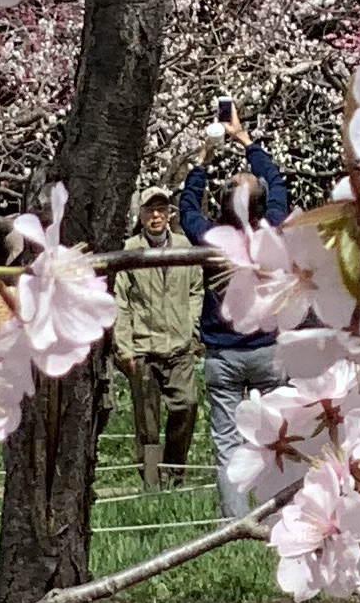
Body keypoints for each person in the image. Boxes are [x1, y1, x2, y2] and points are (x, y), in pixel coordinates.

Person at [178, 98, 290, 519]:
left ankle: (234, 520)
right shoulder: (271, 230)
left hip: (223, 353)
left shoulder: (210, 237)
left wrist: (203, 160)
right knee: (279, 432)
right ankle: (281, 512)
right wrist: (247, 141)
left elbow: (187, 208)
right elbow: (276, 184)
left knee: (227, 439)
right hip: (267, 349)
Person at [114, 188, 204, 489]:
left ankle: (176, 472)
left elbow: (196, 289)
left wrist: (191, 328)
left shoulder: (184, 246)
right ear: (141, 216)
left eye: (161, 210)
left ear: (169, 214)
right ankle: (152, 483)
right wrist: (124, 347)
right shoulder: (129, 250)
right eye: (150, 210)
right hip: (143, 347)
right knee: (147, 421)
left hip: (179, 345)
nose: (156, 216)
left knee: (187, 405)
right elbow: (121, 301)